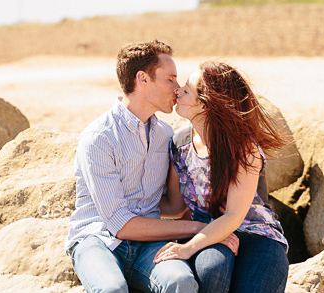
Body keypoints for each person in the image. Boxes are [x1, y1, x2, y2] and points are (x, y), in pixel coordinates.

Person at [66, 40, 236, 293]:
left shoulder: (166, 135)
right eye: (170, 79)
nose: (178, 88)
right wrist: (203, 229)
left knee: (181, 282)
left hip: (149, 245)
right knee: (112, 289)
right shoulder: (99, 138)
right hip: (98, 239)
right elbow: (121, 225)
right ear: (142, 79)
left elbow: (173, 206)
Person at [154, 60, 289, 293]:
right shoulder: (179, 144)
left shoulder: (243, 147)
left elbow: (234, 216)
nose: (178, 91)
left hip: (255, 235)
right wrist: (127, 204)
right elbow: (175, 206)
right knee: (211, 271)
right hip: (208, 234)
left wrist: (186, 249)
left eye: (186, 90)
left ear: (206, 105)